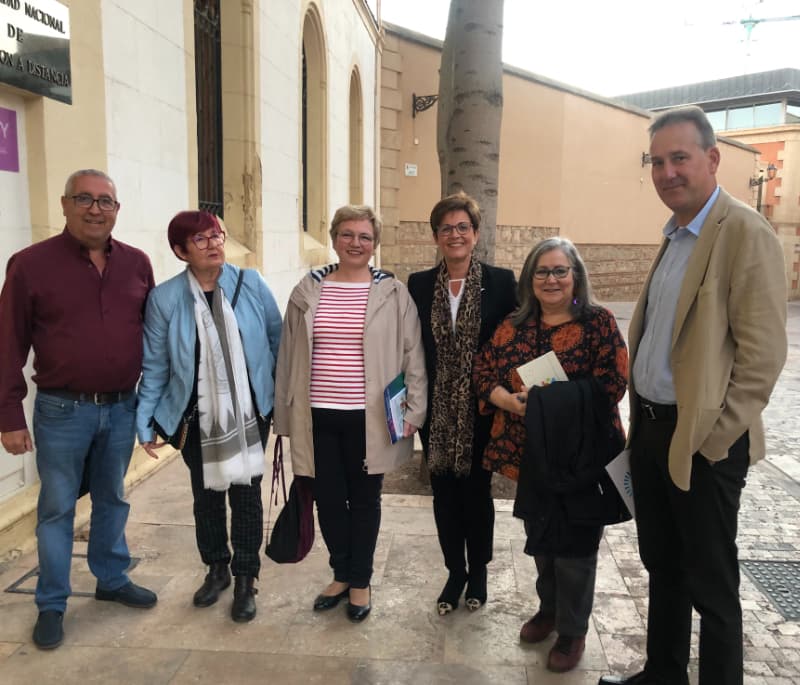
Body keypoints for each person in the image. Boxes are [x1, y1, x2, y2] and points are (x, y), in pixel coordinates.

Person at [598, 107, 787, 685]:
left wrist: (712, 439)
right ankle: (663, 673)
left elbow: (762, 358)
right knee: (664, 565)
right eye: (657, 161)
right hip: (653, 430)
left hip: (703, 439)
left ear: (711, 159)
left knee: (711, 583)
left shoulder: (744, 233)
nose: (667, 171)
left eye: (679, 157)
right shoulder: (676, 235)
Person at [0, 169, 157, 650]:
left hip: (122, 407)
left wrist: (153, 407)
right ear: (65, 204)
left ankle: (110, 578)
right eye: (84, 199)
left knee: (113, 497)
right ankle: (51, 602)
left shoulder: (136, 264)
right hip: (62, 410)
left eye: (105, 201)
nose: (95, 209)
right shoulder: (29, 265)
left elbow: (150, 335)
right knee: (57, 509)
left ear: (117, 210)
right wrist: (8, 414)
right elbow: (8, 342)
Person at [474, 237, 628, 673]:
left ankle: (574, 628)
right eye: (542, 271)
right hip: (534, 456)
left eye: (561, 270)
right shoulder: (514, 325)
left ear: (576, 276)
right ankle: (548, 610)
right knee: (542, 537)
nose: (552, 279)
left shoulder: (598, 322)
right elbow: (483, 371)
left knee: (577, 544)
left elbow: (613, 384)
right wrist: (509, 401)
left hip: (583, 456)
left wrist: (546, 402)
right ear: (529, 279)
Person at [273, 204, 426, 622]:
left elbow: (413, 353)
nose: (355, 243)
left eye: (364, 236)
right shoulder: (308, 290)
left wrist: (415, 408)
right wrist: (283, 413)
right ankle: (340, 572)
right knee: (326, 500)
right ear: (334, 238)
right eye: (347, 234)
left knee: (363, 500)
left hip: (370, 418)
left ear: (374, 244)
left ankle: (360, 579)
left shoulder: (393, 293)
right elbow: (288, 354)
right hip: (317, 415)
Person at [136, 210, 282, 623]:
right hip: (194, 415)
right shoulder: (165, 299)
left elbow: (277, 342)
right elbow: (157, 365)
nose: (213, 244)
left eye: (217, 235)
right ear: (181, 251)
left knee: (247, 496)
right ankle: (217, 568)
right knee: (207, 498)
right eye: (200, 240)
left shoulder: (249, 283)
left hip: (252, 412)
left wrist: (281, 404)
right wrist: (146, 420)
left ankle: (246, 578)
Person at [407, 192, 516, 615]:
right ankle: (455, 570)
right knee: (443, 495)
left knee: (477, 493)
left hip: (483, 409)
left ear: (475, 234)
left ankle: (480, 570)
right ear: (436, 237)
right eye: (446, 228)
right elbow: (409, 345)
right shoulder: (418, 284)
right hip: (437, 410)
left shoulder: (502, 282)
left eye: (462, 227)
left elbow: (522, 336)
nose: (455, 235)